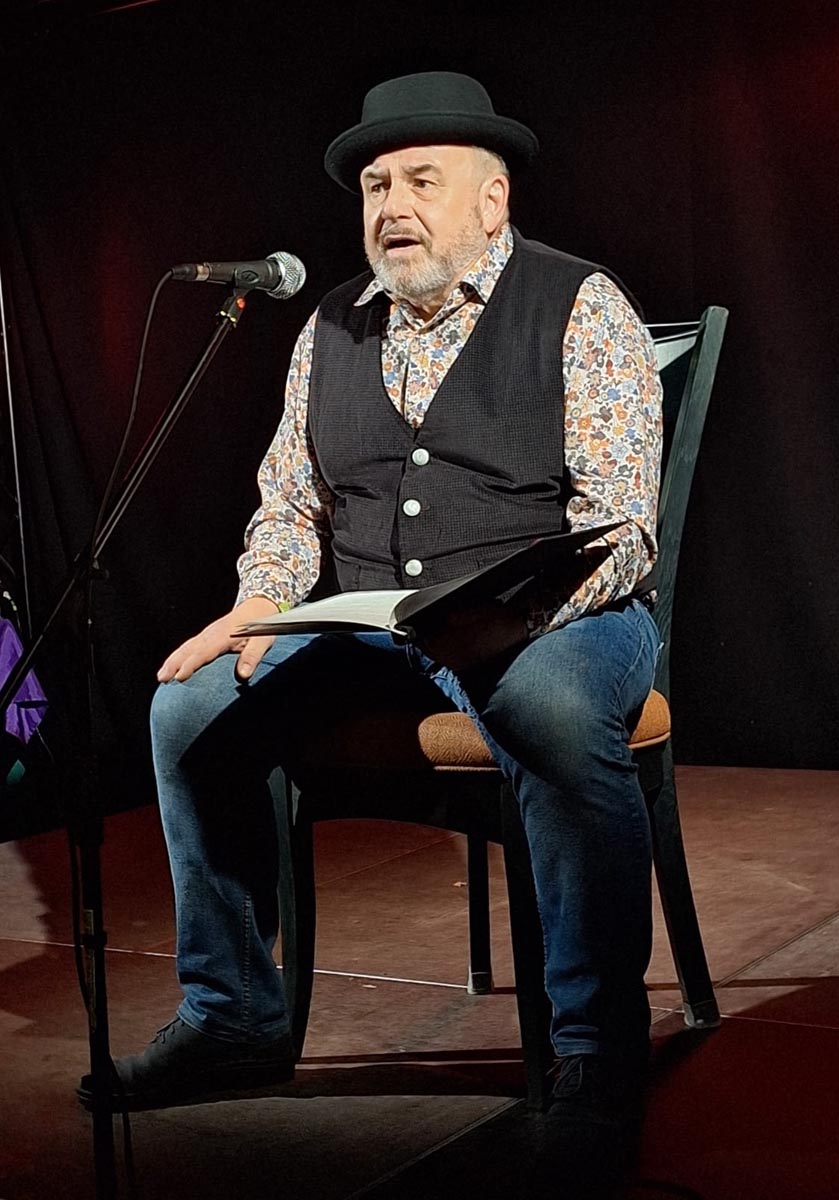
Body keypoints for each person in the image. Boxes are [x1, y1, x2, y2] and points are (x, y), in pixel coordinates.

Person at [79, 70, 662, 1161]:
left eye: (420, 181)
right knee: (189, 709)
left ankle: (596, 1045)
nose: (391, 205)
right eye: (375, 186)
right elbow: (290, 504)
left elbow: (619, 524)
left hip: (556, 615)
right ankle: (232, 1018)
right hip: (374, 626)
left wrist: (511, 620)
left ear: (491, 198)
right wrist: (260, 605)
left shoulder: (580, 304)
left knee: (546, 709)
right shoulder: (329, 326)